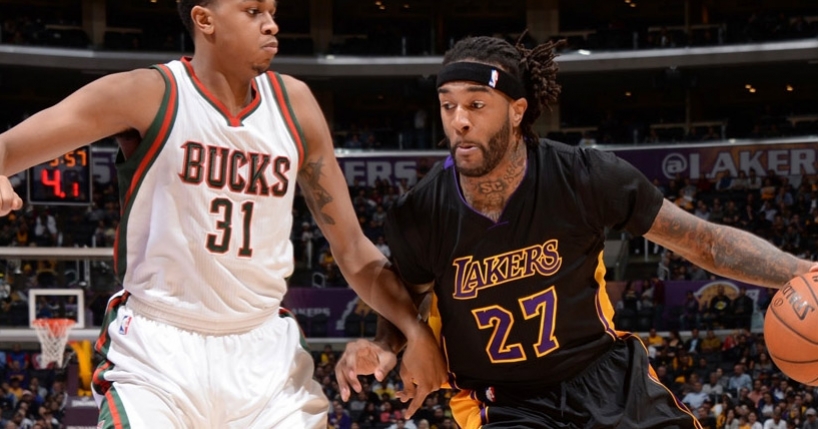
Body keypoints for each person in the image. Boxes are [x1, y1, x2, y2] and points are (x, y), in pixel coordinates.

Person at [333, 34, 818, 428]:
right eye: (447, 105)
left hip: (604, 375)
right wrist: (383, 346)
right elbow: (406, 303)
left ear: (517, 111)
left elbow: (703, 240)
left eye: (476, 104)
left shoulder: (585, 177)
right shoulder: (420, 212)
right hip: (503, 403)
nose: (458, 121)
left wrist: (804, 270)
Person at [0, 0, 446, 427]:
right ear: (204, 20)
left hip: (265, 354)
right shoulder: (148, 93)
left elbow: (351, 248)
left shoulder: (295, 104)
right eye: (253, 12)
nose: (271, 24)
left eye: (272, 12)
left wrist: (414, 329)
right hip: (159, 348)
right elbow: (7, 149)